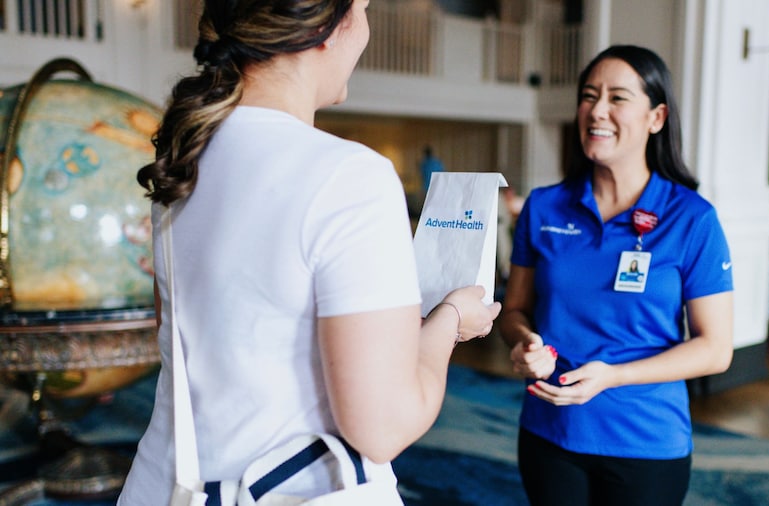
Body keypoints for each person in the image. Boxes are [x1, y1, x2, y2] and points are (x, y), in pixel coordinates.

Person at [118, 1, 501, 504]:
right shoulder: (350, 176)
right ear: (327, 26)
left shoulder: (183, 164)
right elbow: (384, 426)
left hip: (164, 486)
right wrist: (451, 319)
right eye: (363, 8)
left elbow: (195, 336)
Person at [498, 45, 734, 506]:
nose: (597, 110)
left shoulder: (692, 219)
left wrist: (614, 376)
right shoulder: (543, 207)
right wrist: (525, 342)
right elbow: (515, 310)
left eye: (617, 97)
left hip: (645, 438)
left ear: (656, 117)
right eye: (589, 96)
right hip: (549, 431)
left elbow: (715, 348)